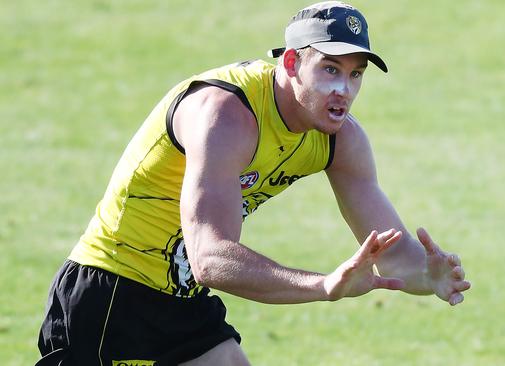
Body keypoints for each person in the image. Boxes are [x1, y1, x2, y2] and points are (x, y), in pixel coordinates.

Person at [37, 1, 471, 365]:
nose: (344, 89)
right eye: (330, 70)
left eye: (355, 74)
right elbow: (209, 256)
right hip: (110, 293)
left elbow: (392, 257)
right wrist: (323, 285)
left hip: (183, 299)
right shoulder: (225, 114)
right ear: (290, 61)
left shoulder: (340, 140)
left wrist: (426, 273)